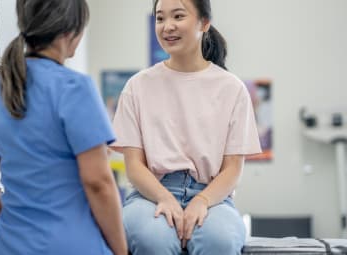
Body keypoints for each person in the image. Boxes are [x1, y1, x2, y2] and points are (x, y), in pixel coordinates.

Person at [0, 0, 127, 254]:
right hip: (73, 246)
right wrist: (121, 251)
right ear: (71, 31)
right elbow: (98, 183)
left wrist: (11, 236)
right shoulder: (75, 88)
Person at [110, 0, 262, 254]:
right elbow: (134, 165)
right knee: (153, 239)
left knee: (220, 240)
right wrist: (165, 198)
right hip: (150, 194)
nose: (167, 26)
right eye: (160, 19)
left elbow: (233, 168)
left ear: (204, 22)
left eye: (178, 16)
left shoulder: (232, 89)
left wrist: (202, 200)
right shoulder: (137, 87)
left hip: (213, 197)